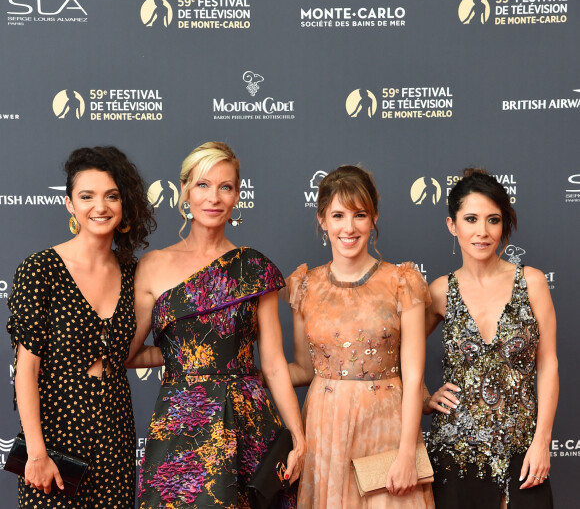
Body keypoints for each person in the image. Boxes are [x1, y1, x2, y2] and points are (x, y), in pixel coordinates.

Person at [126, 141, 306, 508]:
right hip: (179, 423)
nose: (214, 197)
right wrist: (186, 358)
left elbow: (272, 363)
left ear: (237, 196)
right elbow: (129, 354)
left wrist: (299, 438)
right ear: (184, 191)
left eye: (226, 187)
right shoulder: (152, 266)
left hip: (247, 422)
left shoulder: (254, 267)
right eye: (203, 185)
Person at [7, 146, 156, 508]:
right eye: (86, 196)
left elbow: (128, 353)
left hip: (115, 439)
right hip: (56, 441)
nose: (100, 207)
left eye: (112, 196)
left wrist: (203, 357)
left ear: (125, 206)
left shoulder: (135, 274)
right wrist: (37, 454)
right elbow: (26, 369)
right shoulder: (40, 269)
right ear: (70, 205)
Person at [284, 165, 435, 508]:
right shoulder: (304, 286)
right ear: (323, 220)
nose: (348, 228)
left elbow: (413, 378)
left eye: (360, 215)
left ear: (374, 217)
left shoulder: (402, 282)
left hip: (387, 429)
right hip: (325, 432)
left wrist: (407, 453)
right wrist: (248, 375)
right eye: (338, 215)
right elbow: (304, 370)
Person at [424, 168, 558, 508]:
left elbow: (549, 365)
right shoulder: (440, 291)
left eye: (493, 220)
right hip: (455, 451)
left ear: (504, 225)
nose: (482, 232)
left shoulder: (532, 283)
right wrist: (425, 398)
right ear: (452, 225)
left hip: (522, 448)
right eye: (471, 219)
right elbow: (393, 355)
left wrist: (542, 440)